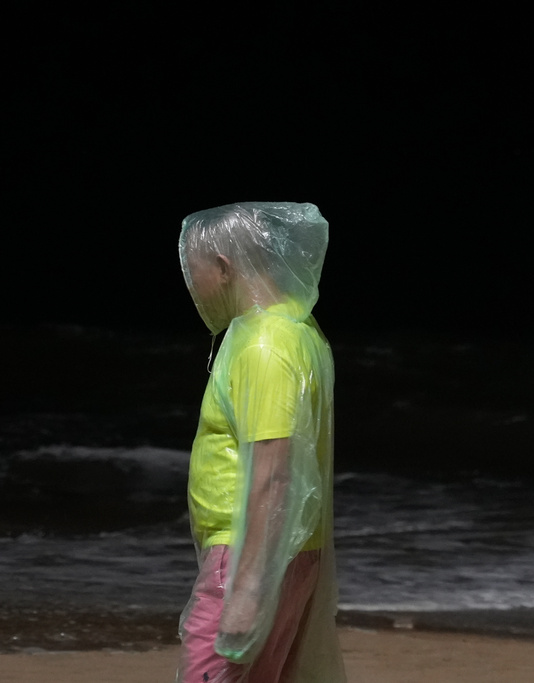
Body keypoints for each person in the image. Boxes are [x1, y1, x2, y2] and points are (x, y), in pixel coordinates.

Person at [176, 202, 345, 683]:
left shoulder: (263, 345)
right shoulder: (298, 330)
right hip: (289, 550)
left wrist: (248, 591)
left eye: (193, 271)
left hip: (250, 553)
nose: (192, 287)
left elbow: (274, 471)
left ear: (224, 267)